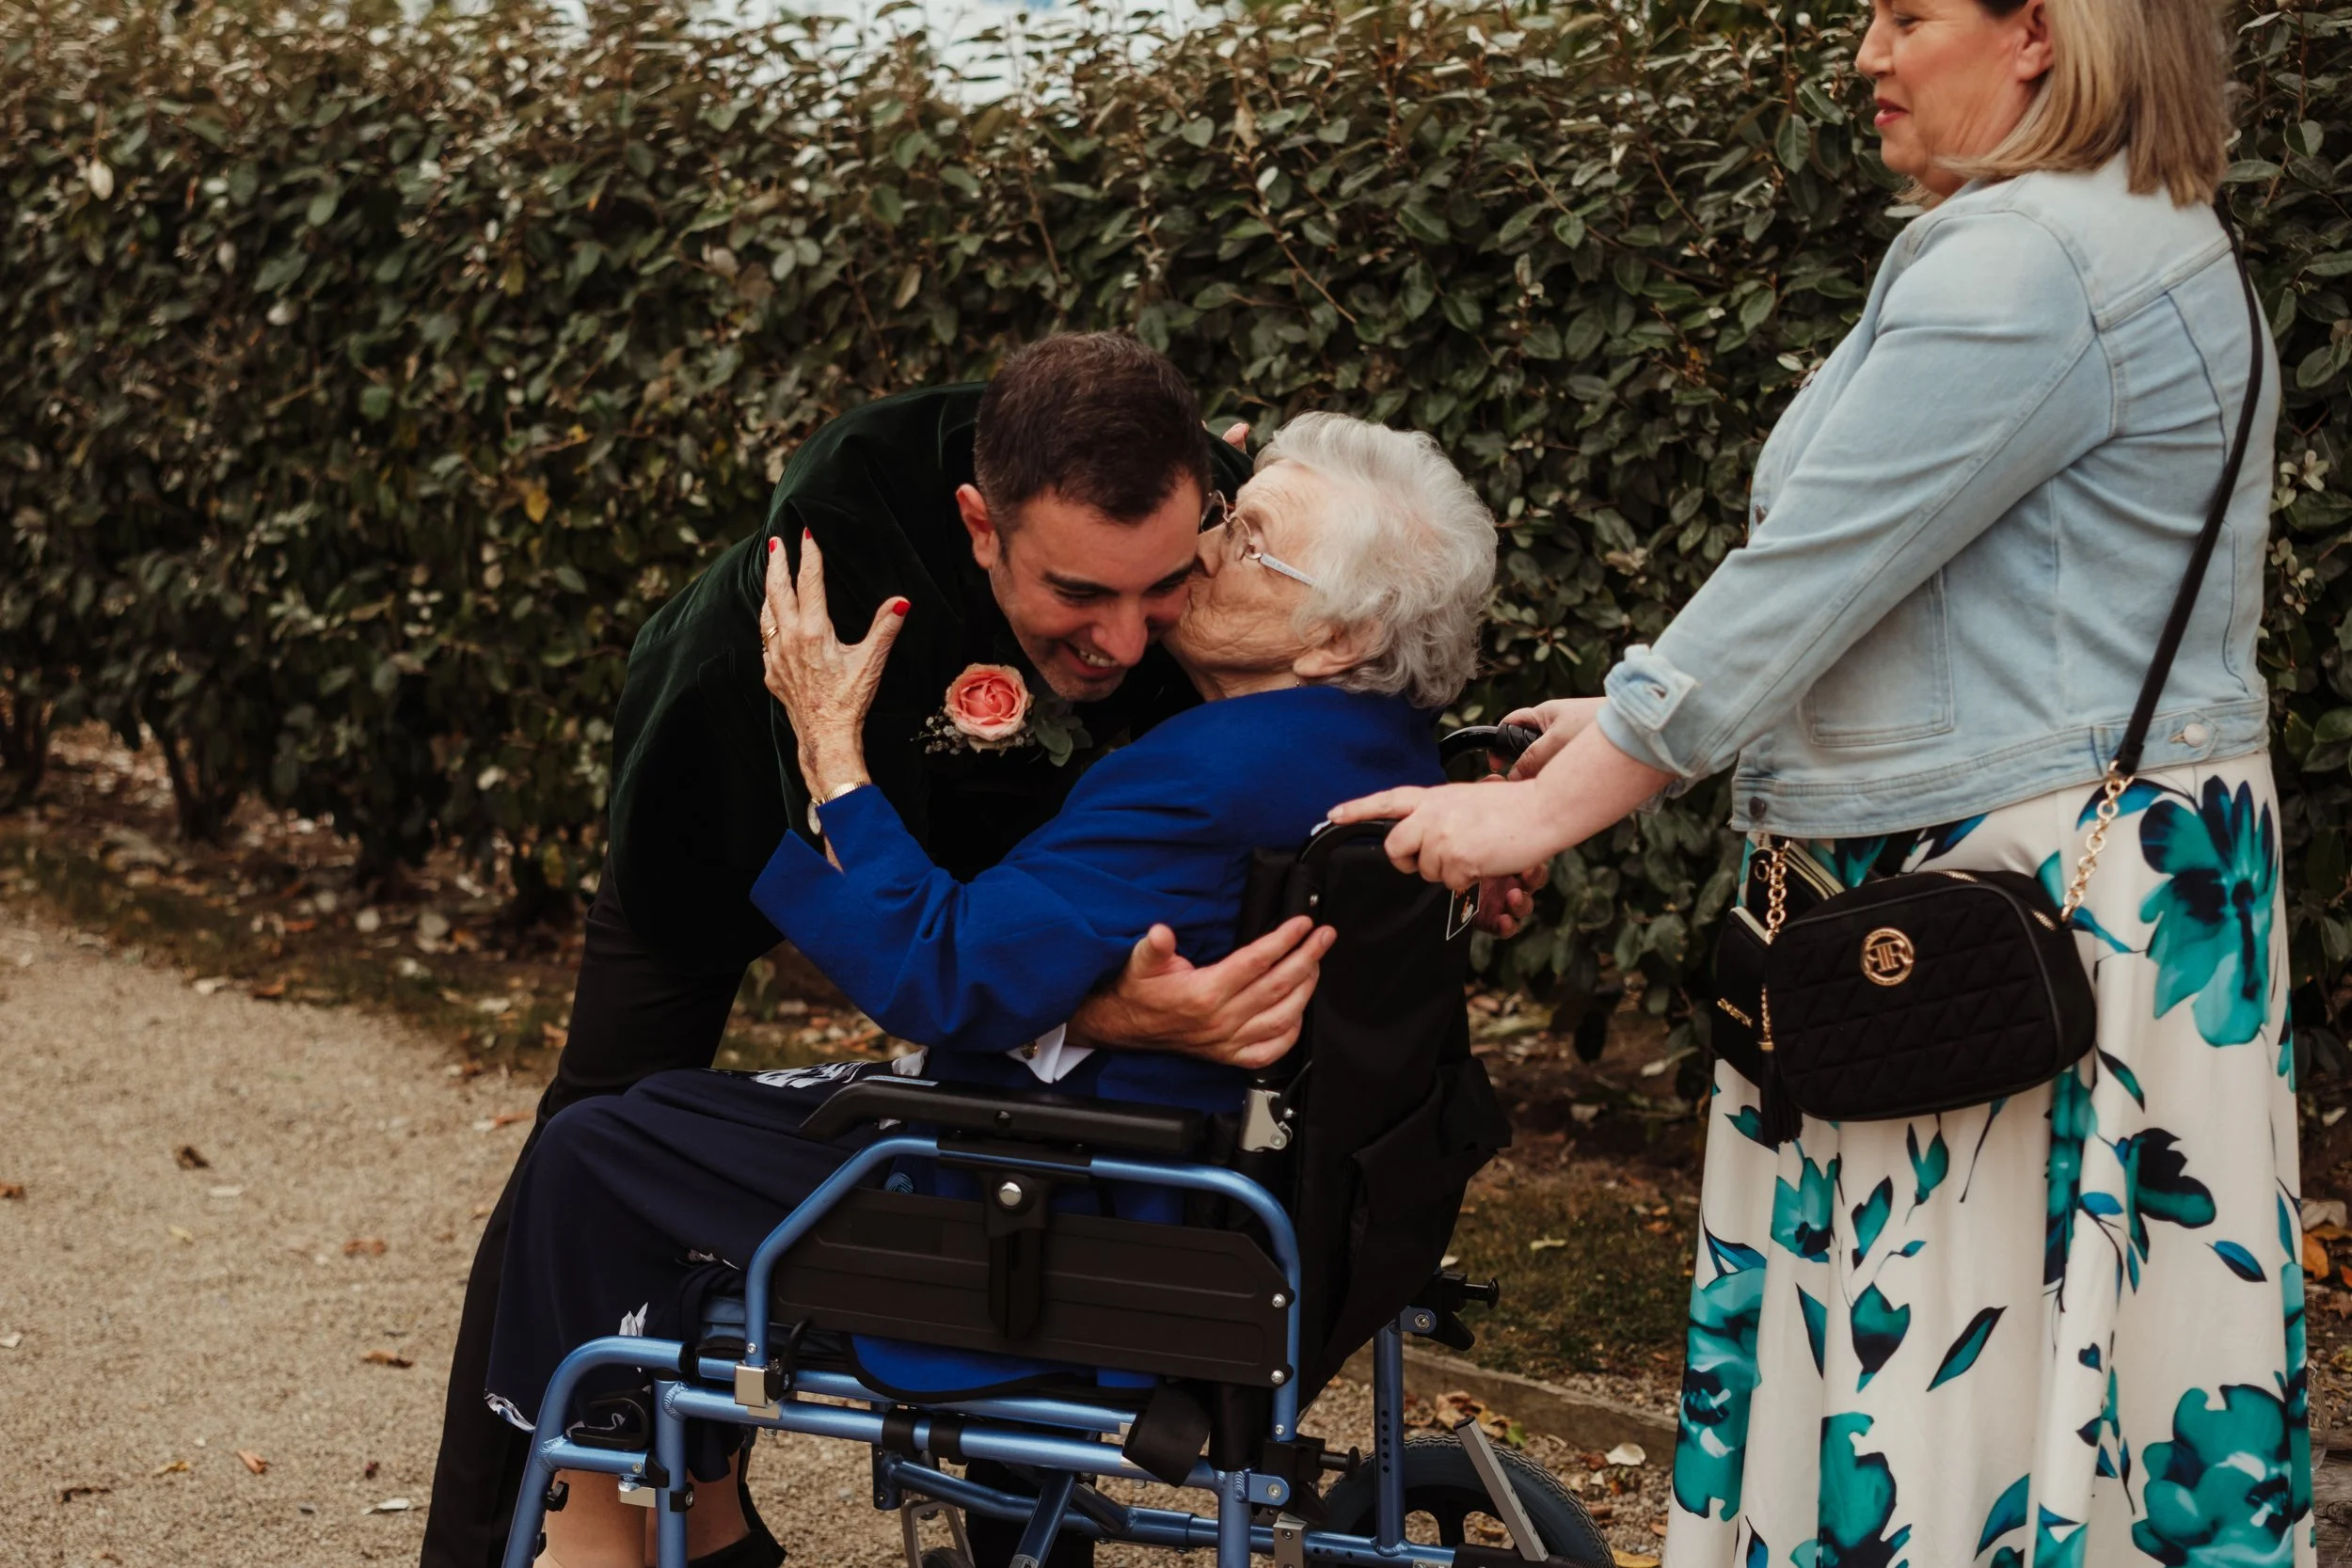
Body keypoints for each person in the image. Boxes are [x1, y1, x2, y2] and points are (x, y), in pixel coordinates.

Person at [1335, 0, 2305, 1563]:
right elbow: (1972, 603)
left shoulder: (2021, 266)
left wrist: (1549, 804)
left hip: (2009, 904)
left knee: (1935, 1384)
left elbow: (1810, 570)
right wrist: (1626, 714)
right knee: (2077, 1390)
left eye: (1907, 13)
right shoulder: (2149, 234)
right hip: (2131, 884)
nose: (1866, 53)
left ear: (2041, 31)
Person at [484, 412, 1500, 1568]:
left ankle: (609, 1527)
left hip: (1055, 1211)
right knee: (689, 1122)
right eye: (1226, 513)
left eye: (1249, 537)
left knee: (597, 1148)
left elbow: (943, 970)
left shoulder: (1206, 776)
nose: (1205, 549)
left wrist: (828, 745)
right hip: (1235, 1193)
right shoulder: (1392, 755)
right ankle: (703, 1518)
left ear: (1342, 632)